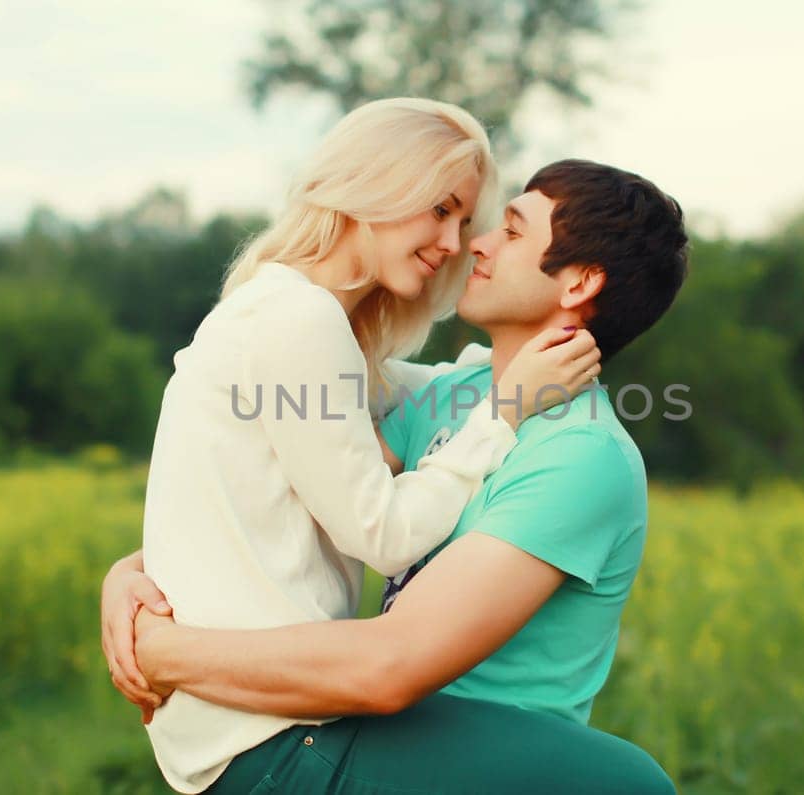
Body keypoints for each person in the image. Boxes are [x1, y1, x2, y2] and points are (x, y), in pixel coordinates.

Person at [105, 158, 690, 793]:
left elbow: (390, 667)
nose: (478, 243)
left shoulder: (580, 455)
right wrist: (132, 574)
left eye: (512, 231)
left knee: (631, 785)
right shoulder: (450, 394)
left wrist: (163, 652)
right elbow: (273, 487)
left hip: (467, 755)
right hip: (380, 732)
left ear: (579, 282)